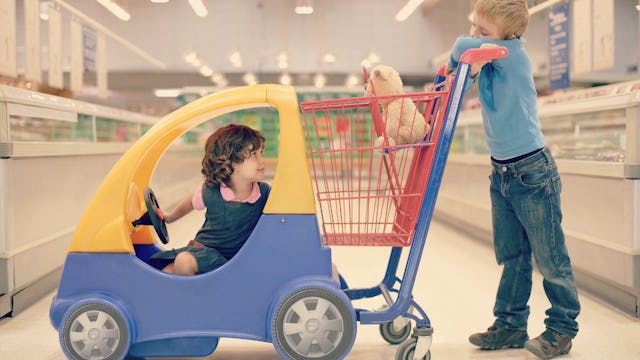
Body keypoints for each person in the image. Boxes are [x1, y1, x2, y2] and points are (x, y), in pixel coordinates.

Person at [446, 1, 580, 359]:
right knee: (513, 256)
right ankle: (510, 324)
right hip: (502, 173)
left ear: (509, 36)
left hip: (533, 171)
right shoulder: (490, 60)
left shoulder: (513, 55)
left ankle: (562, 328)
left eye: (483, 32)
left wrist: (461, 54)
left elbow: (460, 50)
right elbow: (464, 74)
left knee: (550, 258)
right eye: (474, 27)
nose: (474, 35)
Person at [149, 124, 270, 276]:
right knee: (168, 271)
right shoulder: (211, 190)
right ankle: (188, 298)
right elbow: (190, 202)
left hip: (234, 259)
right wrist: (170, 217)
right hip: (205, 250)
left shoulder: (264, 192)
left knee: (182, 263)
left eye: (261, 153)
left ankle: (192, 297)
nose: (262, 161)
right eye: (253, 155)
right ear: (230, 161)